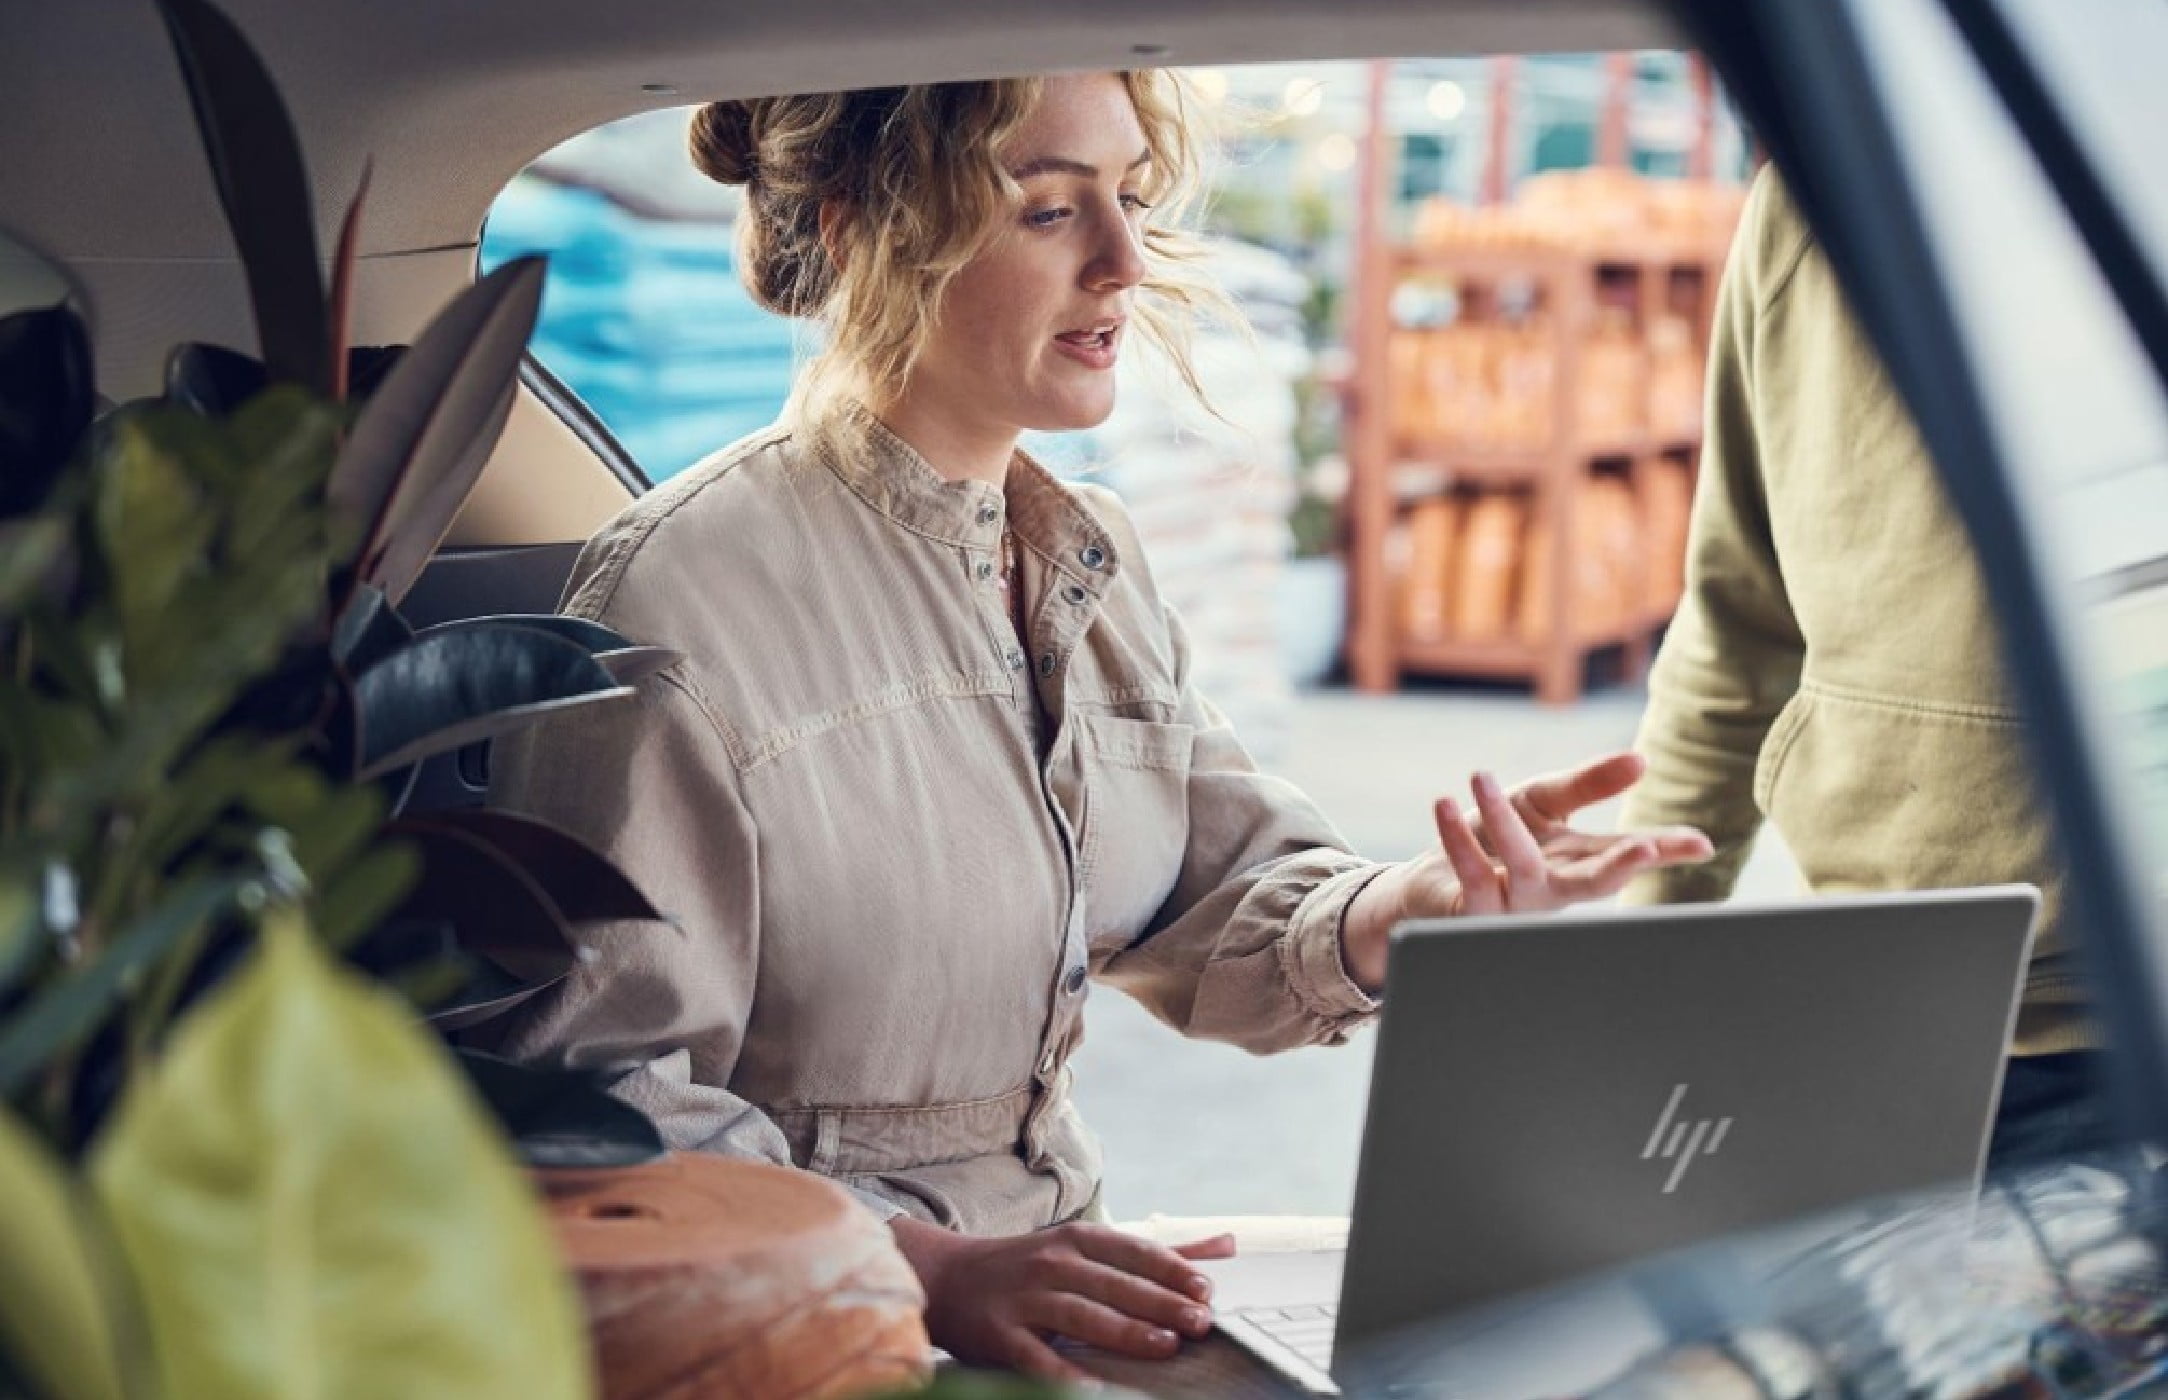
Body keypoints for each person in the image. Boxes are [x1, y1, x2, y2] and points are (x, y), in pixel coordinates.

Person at [488, 71, 1711, 1382]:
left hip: (1070, 1291)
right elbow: (590, 1109)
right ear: (862, 232)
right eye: (1049, 210)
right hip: (815, 1338)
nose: (1126, 261)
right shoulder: (680, 601)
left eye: (1128, 197)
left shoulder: (1086, 555)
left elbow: (1209, 886)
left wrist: (1405, 907)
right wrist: (928, 1275)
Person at [1619, 166, 2114, 1168]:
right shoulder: (1811, 195)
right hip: (1872, 1002)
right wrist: (1637, 966)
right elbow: (1734, 621)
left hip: (2117, 1027)